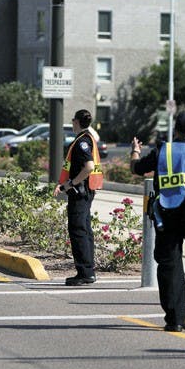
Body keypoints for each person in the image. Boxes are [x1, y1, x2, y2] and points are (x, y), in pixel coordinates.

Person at [130, 112, 185, 332]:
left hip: (167, 215)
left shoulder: (164, 151)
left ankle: (175, 319)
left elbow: (136, 169)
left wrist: (135, 151)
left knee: (170, 264)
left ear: (176, 130)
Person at [54, 109, 104, 286]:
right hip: (86, 191)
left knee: (78, 231)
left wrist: (70, 184)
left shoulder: (82, 142)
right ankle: (88, 270)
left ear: (76, 122)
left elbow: (89, 167)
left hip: (80, 192)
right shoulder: (88, 138)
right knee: (85, 230)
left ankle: (85, 272)